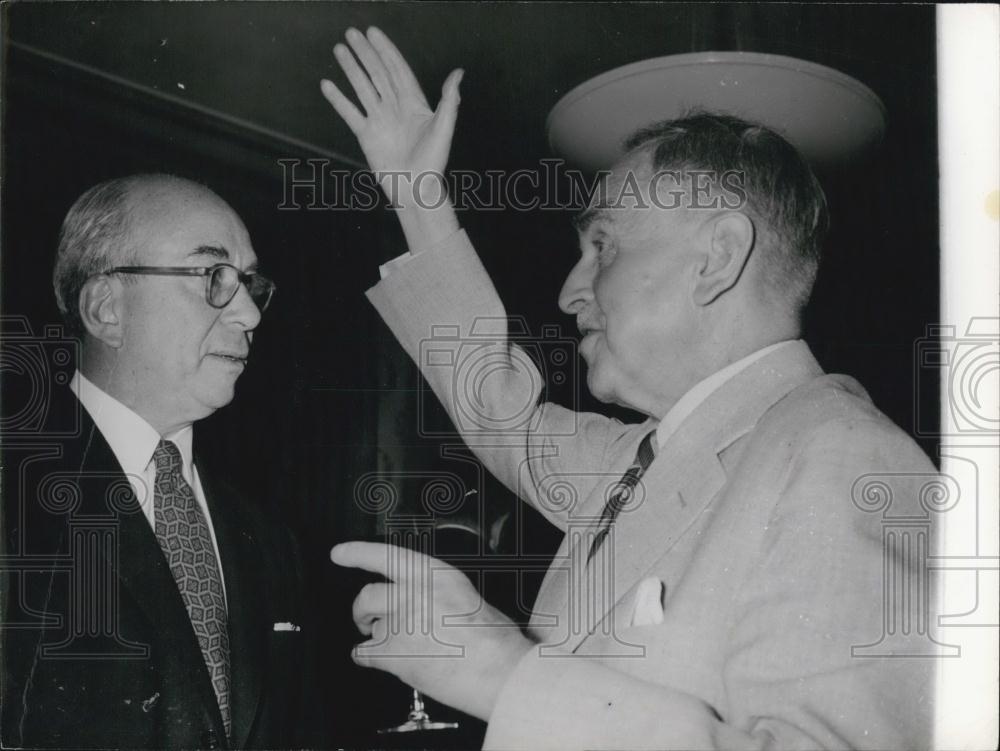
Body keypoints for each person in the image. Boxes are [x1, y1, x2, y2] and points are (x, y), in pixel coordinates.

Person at [323, 27, 940, 750]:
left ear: (717, 257)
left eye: (604, 245)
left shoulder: (848, 459)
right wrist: (417, 198)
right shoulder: (643, 457)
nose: (567, 291)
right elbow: (501, 415)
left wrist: (505, 675)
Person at [1, 175, 313, 749]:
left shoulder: (270, 539)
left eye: (249, 282)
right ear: (105, 308)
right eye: (212, 276)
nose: (249, 314)